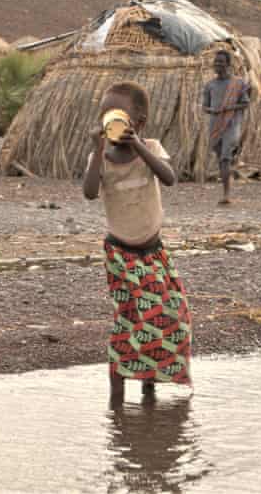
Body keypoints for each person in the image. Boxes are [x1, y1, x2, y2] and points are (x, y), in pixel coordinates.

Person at [83, 81, 193, 403]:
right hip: (121, 254)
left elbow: (170, 178)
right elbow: (89, 192)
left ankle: (150, 386)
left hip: (154, 251)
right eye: (103, 115)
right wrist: (99, 150)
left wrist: (140, 146)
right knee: (131, 322)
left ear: (139, 122)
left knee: (173, 315)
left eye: (115, 115)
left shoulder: (152, 149)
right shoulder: (100, 157)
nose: (108, 121)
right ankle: (116, 399)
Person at [202, 50, 251, 205]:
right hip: (215, 125)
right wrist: (214, 111)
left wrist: (228, 108)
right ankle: (227, 184)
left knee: (224, 158)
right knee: (221, 159)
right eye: (216, 62)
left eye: (221, 62)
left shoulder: (238, 83)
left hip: (231, 125)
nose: (217, 65)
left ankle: (226, 194)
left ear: (228, 64)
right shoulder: (210, 85)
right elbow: (205, 107)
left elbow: (245, 103)